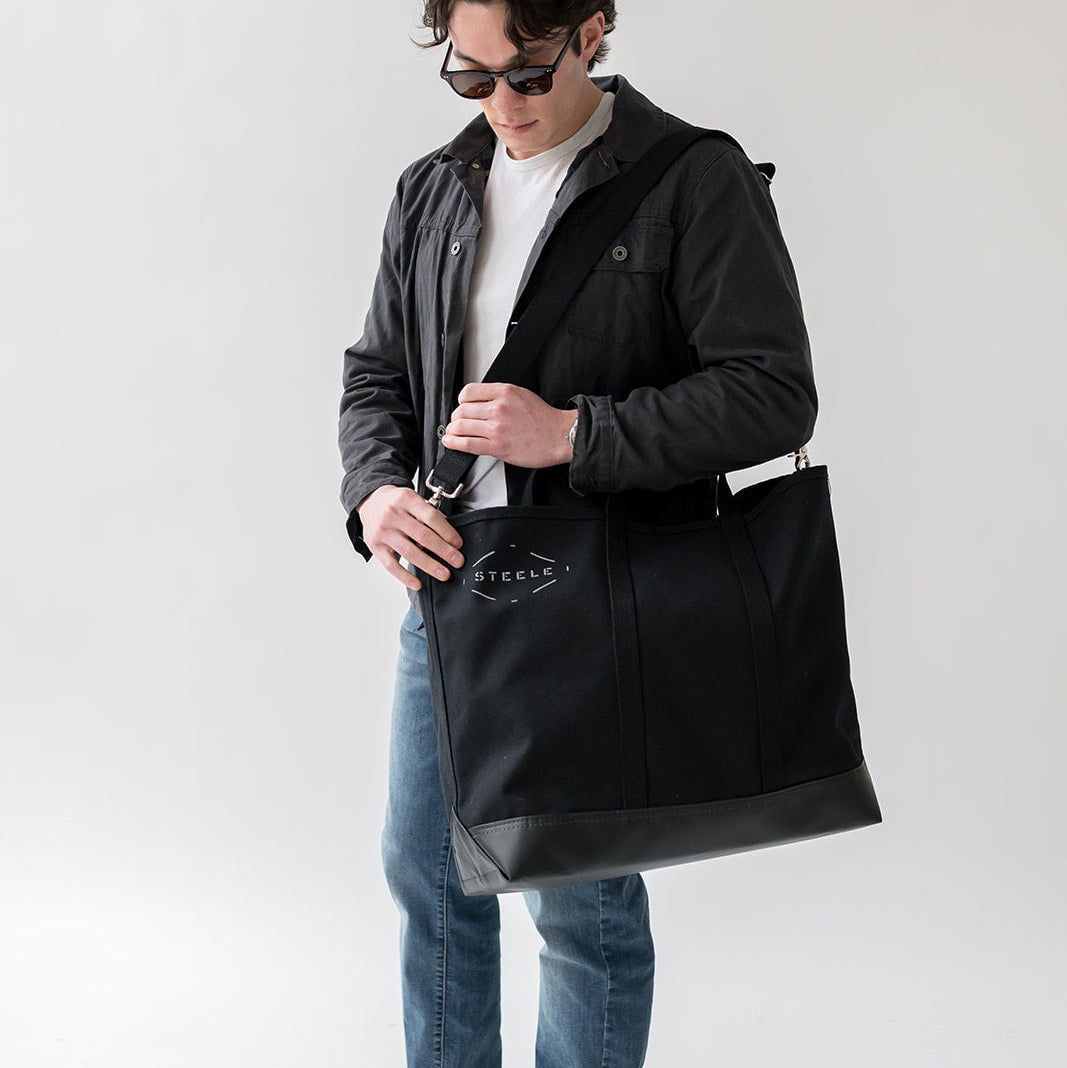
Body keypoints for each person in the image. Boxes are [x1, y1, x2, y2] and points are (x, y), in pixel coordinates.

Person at [337, 2, 817, 1064]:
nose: (501, 103)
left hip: (601, 596)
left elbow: (773, 394)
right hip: (451, 585)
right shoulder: (433, 189)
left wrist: (571, 433)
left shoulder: (691, 178)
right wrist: (374, 492)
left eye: (527, 73)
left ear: (592, 33)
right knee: (427, 877)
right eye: (470, 78)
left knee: (580, 904)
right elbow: (376, 372)